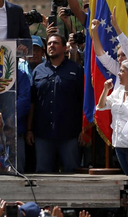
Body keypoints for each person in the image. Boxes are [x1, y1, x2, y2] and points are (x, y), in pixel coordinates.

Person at [29, 34, 84, 173]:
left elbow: (83, 101)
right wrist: (29, 129)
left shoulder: (76, 70)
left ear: (65, 47)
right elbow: (32, 102)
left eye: (56, 43)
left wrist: (85, 129)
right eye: (49, 44)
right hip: (43, 134)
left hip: (69, 134)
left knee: (72, 173)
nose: (51, 46)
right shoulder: (38, 71)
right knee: (42, 174)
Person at [97, 61, 128, 217]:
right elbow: (102, 106)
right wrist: (105, 89)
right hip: (118, 141)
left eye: (122, 71)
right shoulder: (118, 90)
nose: (119, 74)